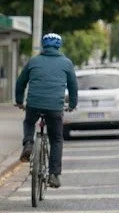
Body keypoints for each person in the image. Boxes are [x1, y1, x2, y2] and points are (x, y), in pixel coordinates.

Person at [14, 33, 78, 189]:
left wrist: (19, 101)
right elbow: (73, 87)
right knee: (56, 139)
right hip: (55, 108)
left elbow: (20, 82)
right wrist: (72, 104)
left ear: (43, 46)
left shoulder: (33, 61)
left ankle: (28, 142)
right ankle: (54, 175)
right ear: (59, 46)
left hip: (34, 104)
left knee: (29, 121)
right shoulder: (67, 63)